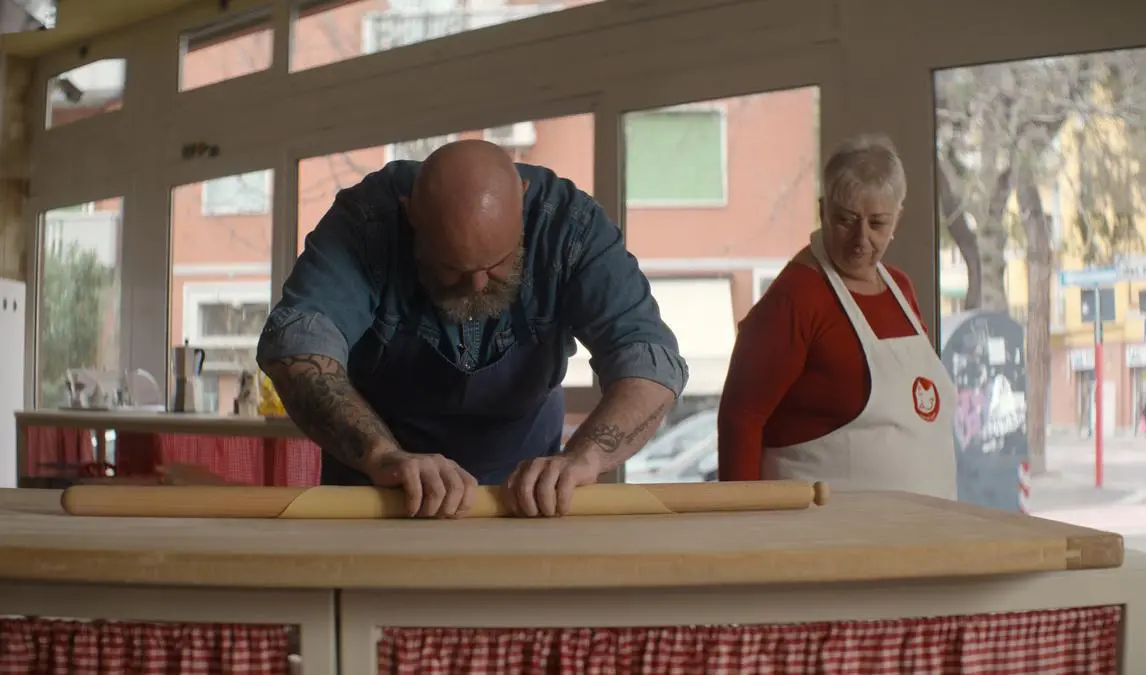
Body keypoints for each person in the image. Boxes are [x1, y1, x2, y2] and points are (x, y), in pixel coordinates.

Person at [257, 140, 687, 518]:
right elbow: (297, 347)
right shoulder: (367, 222)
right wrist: (384, 456)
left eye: (496, 264)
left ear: (522, 201)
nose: (476, 286)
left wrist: (584, 459)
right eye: (451, 268)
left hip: (525, 496)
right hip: (381, 493)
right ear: (410, 219)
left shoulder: (570, 226)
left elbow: (649, 360)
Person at [716, 134, 956, 499]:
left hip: (918, 538)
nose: (861, 240)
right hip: (825, 538)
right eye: (845, 220)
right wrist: (745, 525)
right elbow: (741, 419)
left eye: (877, 224)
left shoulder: (901, 289)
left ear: (898, 218)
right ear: (822, 209)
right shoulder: (795, 298)